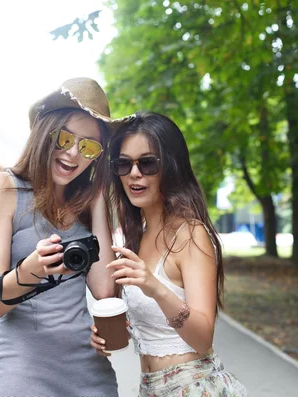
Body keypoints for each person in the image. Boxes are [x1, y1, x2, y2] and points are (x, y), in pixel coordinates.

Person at [0, 77, 133, 397]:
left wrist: (99, 200)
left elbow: (105, 290)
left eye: (90, 147)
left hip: (88, 368)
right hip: (24, 368)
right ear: (45, 133)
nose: (74, 153)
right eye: (65, 138)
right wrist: (32, 269)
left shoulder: (88, 202)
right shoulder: (3, 189)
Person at [91, 111, 249, 396]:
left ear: (171, 167)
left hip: (193, 386)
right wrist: (112, 331)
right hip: (150, 388)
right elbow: (152, 327)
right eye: (124, 164)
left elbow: (202, 337)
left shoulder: (190, 234)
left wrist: (155, 288)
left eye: (147, 163)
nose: (134, 173)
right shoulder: (136, 236)